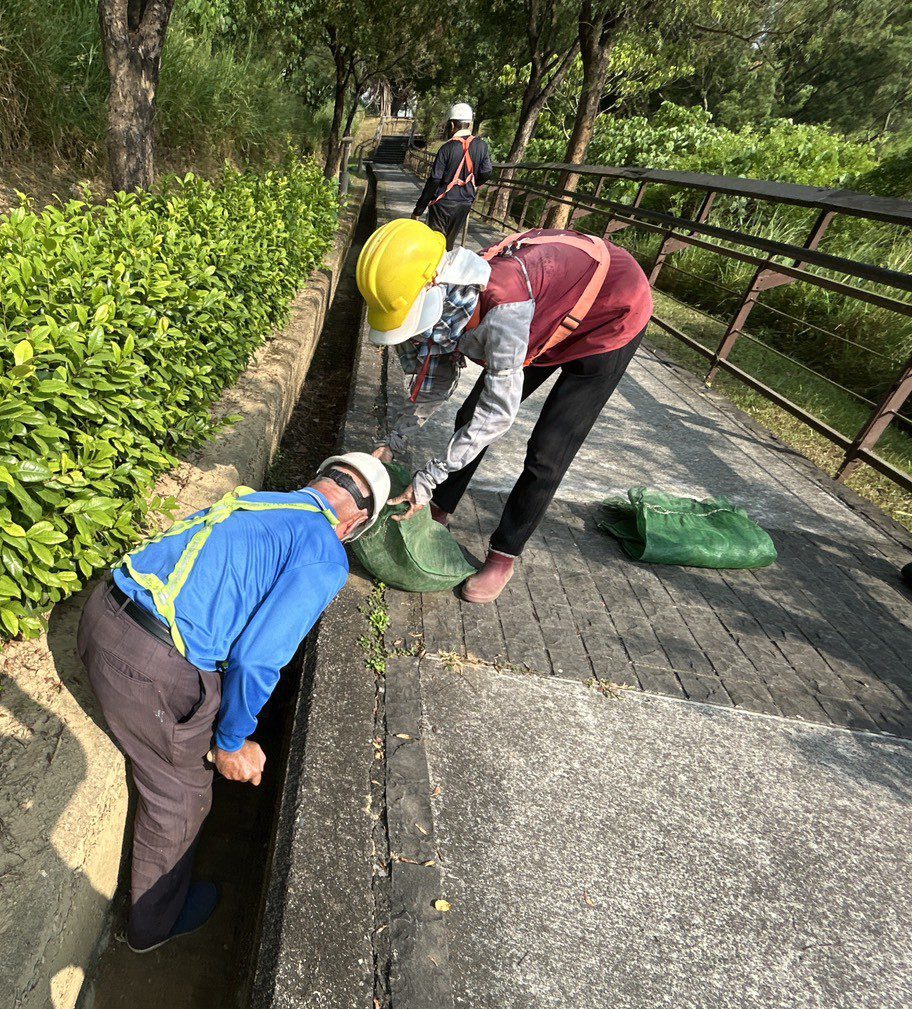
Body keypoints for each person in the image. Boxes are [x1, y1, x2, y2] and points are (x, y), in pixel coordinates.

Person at [76, 453, 390, 953]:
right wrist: (231, 741)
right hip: (143, 668)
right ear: (352, 525)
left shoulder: (262, 502)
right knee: (182, 793)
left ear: (317, 482)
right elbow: (259, 659)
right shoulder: (326, 552)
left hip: (97, 621)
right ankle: (149, 928)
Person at [357, 218, 654, 604]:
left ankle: (503, 555)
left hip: (609, 318)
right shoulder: (453, 298)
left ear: (432, 295)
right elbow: (437, 375)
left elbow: (497, 415)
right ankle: (441, 508)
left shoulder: (502, 309)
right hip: (548, 312)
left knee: (548, 451)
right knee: (468, 416)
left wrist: (427, 477)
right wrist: (393, 442)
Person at [412, 102, 493, 250]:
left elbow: (434, 180)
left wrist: (419, 209)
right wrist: (473, 183)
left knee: (434, 245)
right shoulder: (482, 146)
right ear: (469, 124)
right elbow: (487, 172)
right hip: (464, 203)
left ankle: (432, 270)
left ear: (451, 125)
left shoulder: (446, 148)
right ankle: (445, 268)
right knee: (448, 244)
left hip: (442, 204)